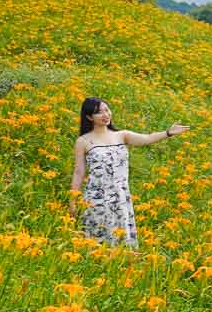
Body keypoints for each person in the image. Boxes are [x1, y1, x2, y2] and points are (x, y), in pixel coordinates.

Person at [69, 97, 190, 248]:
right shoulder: (83, 141)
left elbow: (147, 138)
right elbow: (79, 172)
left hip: (120, 197)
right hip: (96, 199)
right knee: (96, 242)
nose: (105, 115)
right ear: (89, 117)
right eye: (99, 112)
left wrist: (168, 132)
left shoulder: (121, 135)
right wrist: (73, 201)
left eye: (106, 110)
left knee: (121, 243)